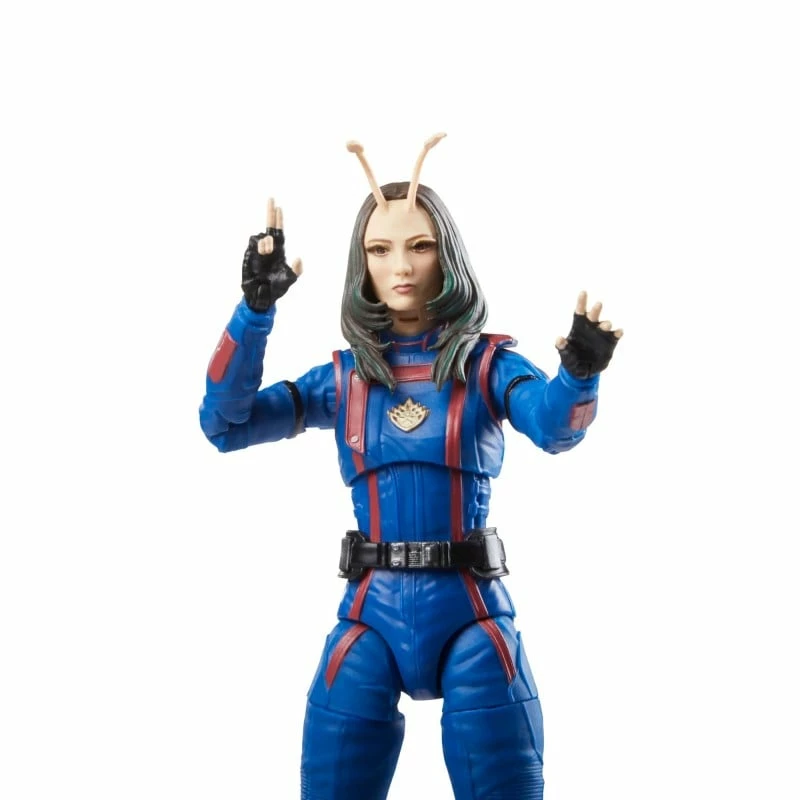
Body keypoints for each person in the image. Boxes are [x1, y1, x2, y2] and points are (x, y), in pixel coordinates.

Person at [199, 136, 622, 800]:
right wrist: (254, 312)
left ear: (446, 253)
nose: (400, 265)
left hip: (472, 613)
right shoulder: (344, 379)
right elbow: (226, 423)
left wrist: (578, 374)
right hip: (371, 616)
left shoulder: (486, 365)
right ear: (360, 261)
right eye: (380, 249)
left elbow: (553, 426)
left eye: (419, 246)